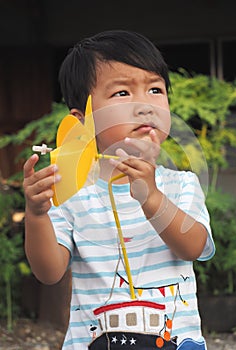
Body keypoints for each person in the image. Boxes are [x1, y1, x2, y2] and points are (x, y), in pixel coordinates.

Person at [23, 30, 215, 350]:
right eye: (122, 94)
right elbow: (49, 271)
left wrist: (151, 197)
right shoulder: (70, 191)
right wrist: (36, 213)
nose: (144, 105)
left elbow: (193, 248)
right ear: (82, 119)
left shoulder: (182, 184)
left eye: (155, 89)